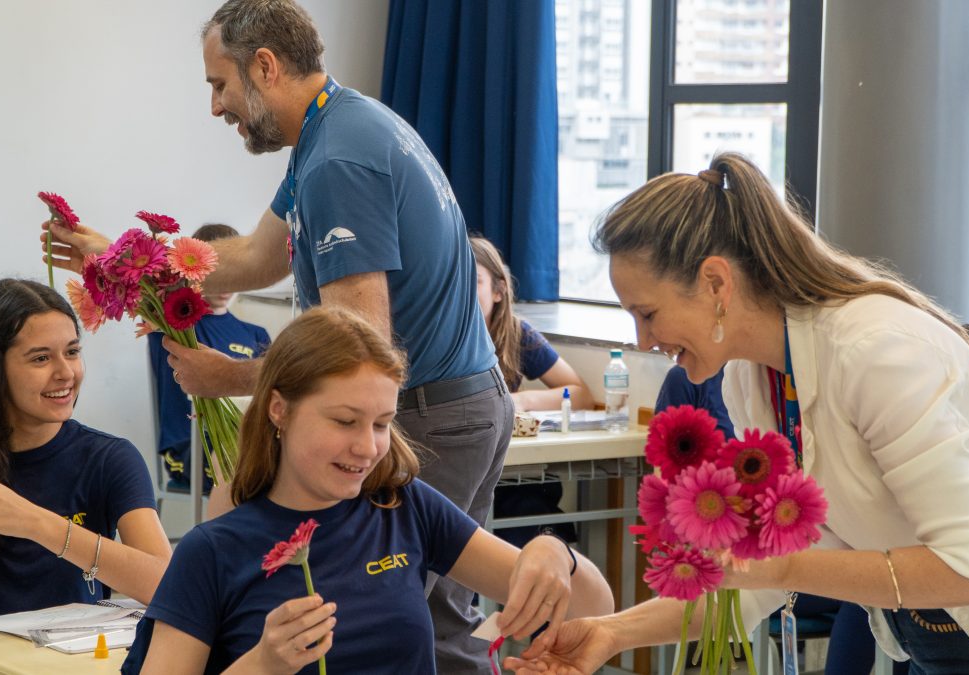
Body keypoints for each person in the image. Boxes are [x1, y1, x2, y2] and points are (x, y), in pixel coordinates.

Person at [43, 2, 513, 670]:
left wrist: (228, 376)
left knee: (404, 623)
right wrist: (120, 254)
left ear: (264, 66)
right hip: (453, 402)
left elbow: (358, 344)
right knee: (434, 621)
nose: (216, 107)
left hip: (428, 412)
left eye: (219, 85)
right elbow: (252, 258)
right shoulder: (332, 130)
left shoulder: (336, 163)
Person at [504, 152, 969, 674]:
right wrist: (613, 632)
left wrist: (778, 566)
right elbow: (761, 577)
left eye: (647, 314)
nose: (643, 341)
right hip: (929, 634)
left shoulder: (878, 352)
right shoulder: (750, 377)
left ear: (716, 283)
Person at [124, 306, 612, 674]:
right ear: (279, 409)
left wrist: (555, 555)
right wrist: (262, 665)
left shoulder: (404, 507)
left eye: (382, 423)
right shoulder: (211, 551)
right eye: (344, 421)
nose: (367, 447)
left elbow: (594, 609)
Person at [0, 279, 172, 664]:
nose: (65, 373)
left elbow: (166, 586)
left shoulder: (110, 459)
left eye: (72, 352)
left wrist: (35, 522)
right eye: (41, 358)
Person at [655, 363, 908, 675]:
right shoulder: (692, 377)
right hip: (745, 553)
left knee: (876, 590)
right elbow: (664, 480)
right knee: (866, 592)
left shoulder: (792, 381)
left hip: (803, 547)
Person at [471, 235, 588, 548]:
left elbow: (579, 393)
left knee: (536, 504)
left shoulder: (517, 333)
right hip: (469, 463)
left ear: (498, 290)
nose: (463, 292)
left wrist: (517, 401)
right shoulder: (438, 335)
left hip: (513, 469)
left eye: (475, 280)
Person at [148, 223, 271, 493]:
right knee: (252, 468)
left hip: (246, 439)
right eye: (216, 270)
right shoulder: (173, 324)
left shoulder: (256, 334)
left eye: (232, 270)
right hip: (190, 447)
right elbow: (151, 290)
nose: (226, 280)